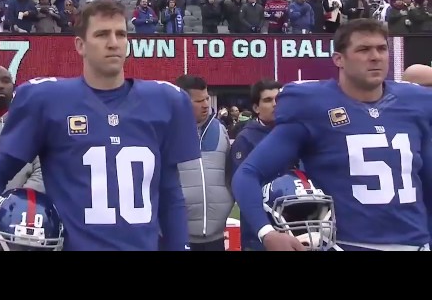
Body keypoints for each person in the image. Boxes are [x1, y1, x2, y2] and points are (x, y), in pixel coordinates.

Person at [0, 0, 200, 251]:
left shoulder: (165, 101)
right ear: (80, 45)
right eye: (102, 34)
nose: (113, 42)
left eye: (120, 34)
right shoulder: (47, 100)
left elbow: (170, 191)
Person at [232, 18, 432, 251]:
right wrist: (266, 233)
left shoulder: (417, 102)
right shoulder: (313, 105)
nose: (376, 56)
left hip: (416, 243)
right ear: (339, 59)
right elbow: (247, 173)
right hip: (347, 244)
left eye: (381, 48)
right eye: (364, 49)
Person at [174, 74, 233, 251]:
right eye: (198, 101)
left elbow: (229, 173)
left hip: (216, 236)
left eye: (206, 98)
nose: (206, 104)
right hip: (176, 234)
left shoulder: (220, 130)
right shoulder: (166, 132)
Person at [226, 79, 282, 251]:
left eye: (278, 99)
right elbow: (240, 186)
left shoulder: (292, 132)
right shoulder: (246, 139)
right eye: (268, 100)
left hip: (293, 220)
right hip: (260, 228)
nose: (275, 104)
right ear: (256, 108)